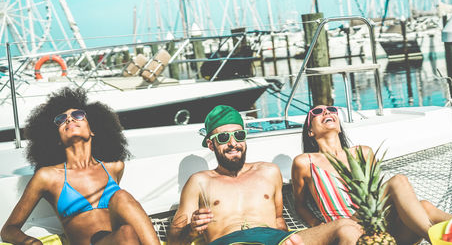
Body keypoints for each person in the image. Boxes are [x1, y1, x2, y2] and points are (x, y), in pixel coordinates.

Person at [169, 105, 363, 245]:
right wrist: (192, 230)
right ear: (211, 144)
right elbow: (174, 241)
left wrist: (289, 238)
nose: (233, 143)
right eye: (223, 138)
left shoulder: (268, 172)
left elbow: (279, 220)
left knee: (347, 227)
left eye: (239, 135)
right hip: (229, 241)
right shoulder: (199, 181)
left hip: (276, 240)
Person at [1, 87, 160, 245]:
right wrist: (29, 241)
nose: (69, 119)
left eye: (78, 115)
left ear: (93, 130)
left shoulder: (114, 167)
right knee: (126, 233)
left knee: (122, 199)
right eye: (61, 120)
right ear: (57, 138)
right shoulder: (47, 177)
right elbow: (8, 229)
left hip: (121, 239)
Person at [291, 105, 452, 244]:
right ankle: (438, 240)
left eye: (332, 110)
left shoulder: (363, 152)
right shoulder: (305, 162)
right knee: (398, 180)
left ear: (339, 127)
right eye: (318, 112)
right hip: (348, 226)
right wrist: (317, 224)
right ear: (310, 131)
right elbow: (300, 204)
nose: (327, 113)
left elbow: (378, 197)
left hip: (383, 230)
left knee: (424, 205)